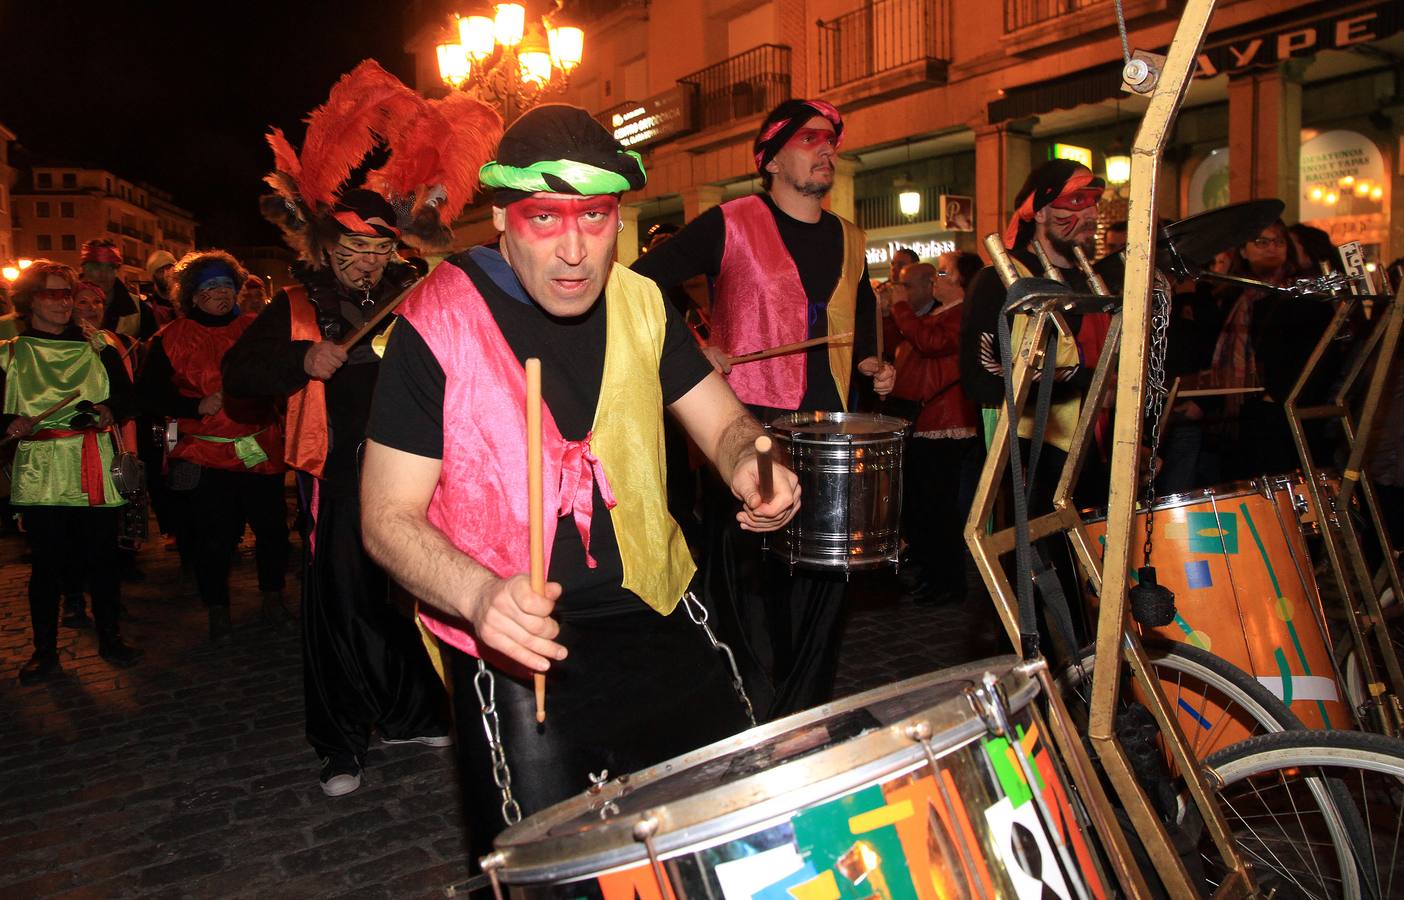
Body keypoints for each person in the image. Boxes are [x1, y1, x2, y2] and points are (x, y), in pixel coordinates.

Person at [359, 104, 799, 858]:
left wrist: (756, 466)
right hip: (515, 638)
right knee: (559, 865)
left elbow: (727, 426)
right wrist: (478, 597)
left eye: (595, 218)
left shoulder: (643, 303)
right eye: (544, 219)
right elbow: (385, 516)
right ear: (502, 216)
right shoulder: (438, 320)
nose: (574, 251)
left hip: (652, 605)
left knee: (738, 837)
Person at [223, 60, 498, 796]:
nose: (369, 262)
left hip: (414, 471)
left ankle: (411, 711)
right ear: (328, 248)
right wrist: (299, 359)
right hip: (338, 479)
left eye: (380, 250)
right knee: (340, 605)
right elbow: (238, 381)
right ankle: (341, 741)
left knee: (409, 597)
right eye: (355, 250)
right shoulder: (294, 305)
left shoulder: (413, 296)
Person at [633, 98, 894, 721]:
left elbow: (858, 320)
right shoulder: (730, 221)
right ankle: (751, 709)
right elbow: (638, 283)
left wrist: (874, 365)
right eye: (810, 140)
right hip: (746, 424)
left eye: (831, 140)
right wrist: (695, 349)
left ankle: (802, 715)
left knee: (828, 580)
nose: (826, 149)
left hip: (831, 430)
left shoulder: (852, 237)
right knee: (753, 580)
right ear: (772, 156)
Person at [139, 251, 290, 643]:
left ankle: (273, 597)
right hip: (207, 454)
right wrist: (193, 405)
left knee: (272, 530)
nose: (220, 293)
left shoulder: (257, 329)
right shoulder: (170, 338)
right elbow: (149, 395)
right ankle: (217, 608)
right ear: (191, 296)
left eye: (226, 285)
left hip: (260, 448)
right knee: (214, 537)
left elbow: (285, 376)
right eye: (209, 287)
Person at [3, 261, 143, 683]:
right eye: (51, 293)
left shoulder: (98, 345)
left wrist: (108, 408)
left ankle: (110, 637)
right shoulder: (10, 352)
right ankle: (45, 652)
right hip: (42, 468)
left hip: (92, 460)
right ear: (29, 301)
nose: (63, 302)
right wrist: (10, 422)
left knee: (102, 559)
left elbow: (129, 398)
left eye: (66, 293)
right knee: (47, 565)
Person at [887, 254, 982, 605]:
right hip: (929, 419)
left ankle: (948, 581)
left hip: (946, 422)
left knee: (940, 508)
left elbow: (929, 343)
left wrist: (899, 307)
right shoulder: (943, 314)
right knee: (925, 505)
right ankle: (933, 575)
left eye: (944, 272)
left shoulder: (961, 315)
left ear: (960, 282)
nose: (936, 278)